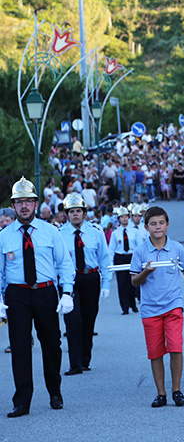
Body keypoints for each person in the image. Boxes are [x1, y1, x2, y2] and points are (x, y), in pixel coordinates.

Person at [0, 177, 75, 418]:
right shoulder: (4, 236)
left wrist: (66, 292)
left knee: (52, 344)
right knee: (20, 348)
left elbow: (64, 263)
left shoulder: (50, 231)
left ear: (35, 203)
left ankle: (55, 392)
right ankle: (22, 401)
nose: (24, 206)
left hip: (45, 292)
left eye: (28, 201)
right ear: (13, 206)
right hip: (17, 294)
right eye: (19, 202)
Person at [130, 206, 184, 408]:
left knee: (176, 347)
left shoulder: (177, 248)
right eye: (153, 224)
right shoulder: (140, 251)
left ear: (167, 225)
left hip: (173, 305)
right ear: (146, 227)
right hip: (150, 309)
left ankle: (176, 389)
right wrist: (145, 272)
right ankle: (161, 393)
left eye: (161, 223)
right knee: (155, 352)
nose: (157, 227)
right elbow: (134, 281)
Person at [59, 193, 111, 375]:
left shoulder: (96, 232)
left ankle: (85, 359)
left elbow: (105, 259)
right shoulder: (59, 235)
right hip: (69, 281)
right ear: (67, 214)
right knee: (73, 321)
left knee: (88, 320)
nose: (75, 214)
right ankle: (75, 363)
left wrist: (106, 284)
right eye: (71, 211)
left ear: (84, 213)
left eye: (78, 211)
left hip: (90, 278)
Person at [109, 206, 140, 314]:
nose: (124, 219)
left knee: (132, 282)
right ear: (119, 219)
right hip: (120, 258)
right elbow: (111, 249)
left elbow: (139, 246)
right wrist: (111, 264)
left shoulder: (134, 231)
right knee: (122, 283)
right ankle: (125, 307)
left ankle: (133, 304)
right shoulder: (115, 233)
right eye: (122, 217)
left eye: (126, 216)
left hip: (131, 257)